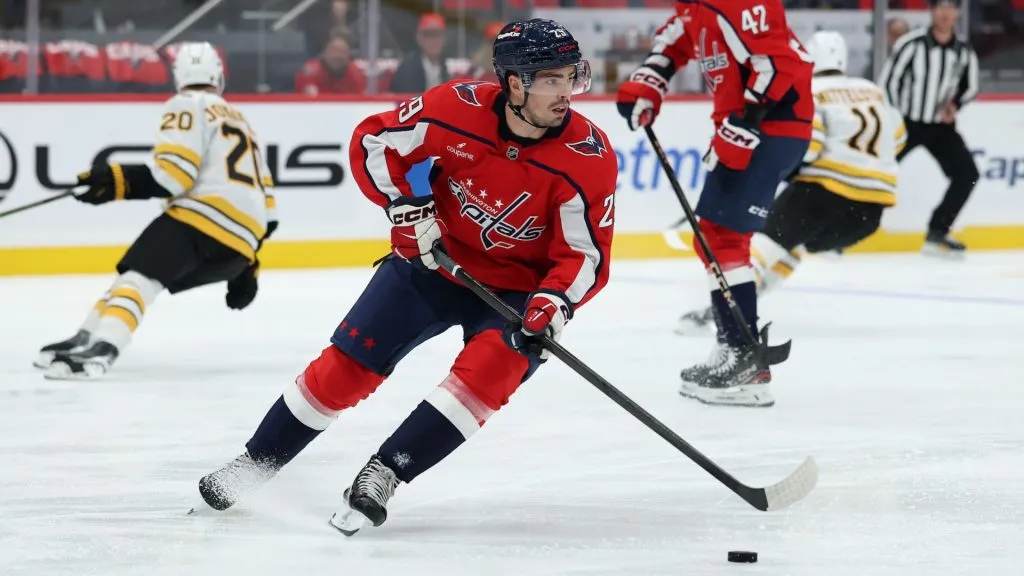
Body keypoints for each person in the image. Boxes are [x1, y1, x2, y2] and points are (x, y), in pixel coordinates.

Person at [194, 19, 617, 535]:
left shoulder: (588, 159)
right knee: (347, 366)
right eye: (551, 79)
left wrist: (553, 303)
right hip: (433, 263)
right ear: (513, 83)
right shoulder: (453, 107)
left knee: (491, 374)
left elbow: (584, 255)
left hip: (515, 291)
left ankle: (384, 473)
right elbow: (374, 141)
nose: (566, 91)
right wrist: (407, 206)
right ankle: (257, 461)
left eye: (572, 76)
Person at [35, 42, 277, 380]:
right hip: (241, 248)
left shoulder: (185, 104)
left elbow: (175, 176)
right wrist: (247, 264)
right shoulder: (242, 121)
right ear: (219, 77)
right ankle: (86, 335)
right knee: (133, 275)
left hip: (202, 220)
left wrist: (118, 180)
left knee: (139, 278)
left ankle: (102, 349)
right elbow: (269, 210)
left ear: (178, 77)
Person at [615, 0, 813, 407]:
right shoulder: (696, 9)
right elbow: (673, 40)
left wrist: (747, 122)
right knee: (715, 237)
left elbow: (779, 64)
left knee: (722, 238)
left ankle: (743, 359)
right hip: (758, 124)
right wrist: (649, 81)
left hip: (771, 124)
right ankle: (736, 351)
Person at [676, 31, 906, 354]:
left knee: (763, 248)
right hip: (871, 212)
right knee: (792, 245)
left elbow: (809, 149)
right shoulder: (873, 91)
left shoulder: (813, 90)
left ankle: (727, 314)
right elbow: (897, 139)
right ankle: (742, 306)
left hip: (824, 194)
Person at [878, 0, 979, 258]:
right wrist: (896, 117)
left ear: (957, 12)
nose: (946, 13)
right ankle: (840, 230)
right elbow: (889, 82)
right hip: (907, 123)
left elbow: (970, 86)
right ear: (932, 11)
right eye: (940, 7)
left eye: (951, 7)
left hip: (941, 127)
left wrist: (955, 105)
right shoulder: (911, 44)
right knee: (875, 172)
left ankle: (938, 232)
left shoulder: (963, 50)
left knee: (967, 174)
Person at [388, 12, 450, 93]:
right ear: (419, 38)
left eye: (437, 35)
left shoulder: (446, 66)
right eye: (428, 35)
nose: (433, 41)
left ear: (444, 38)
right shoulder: (408, 67)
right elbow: (406, 98)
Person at [294, 29, 367, 95]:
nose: (337, 55)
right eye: (333, 50)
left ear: (349, 54)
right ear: (325, 52)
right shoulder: (310, 72)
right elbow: (307, 104)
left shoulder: (358, 73)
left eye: (342, 51)